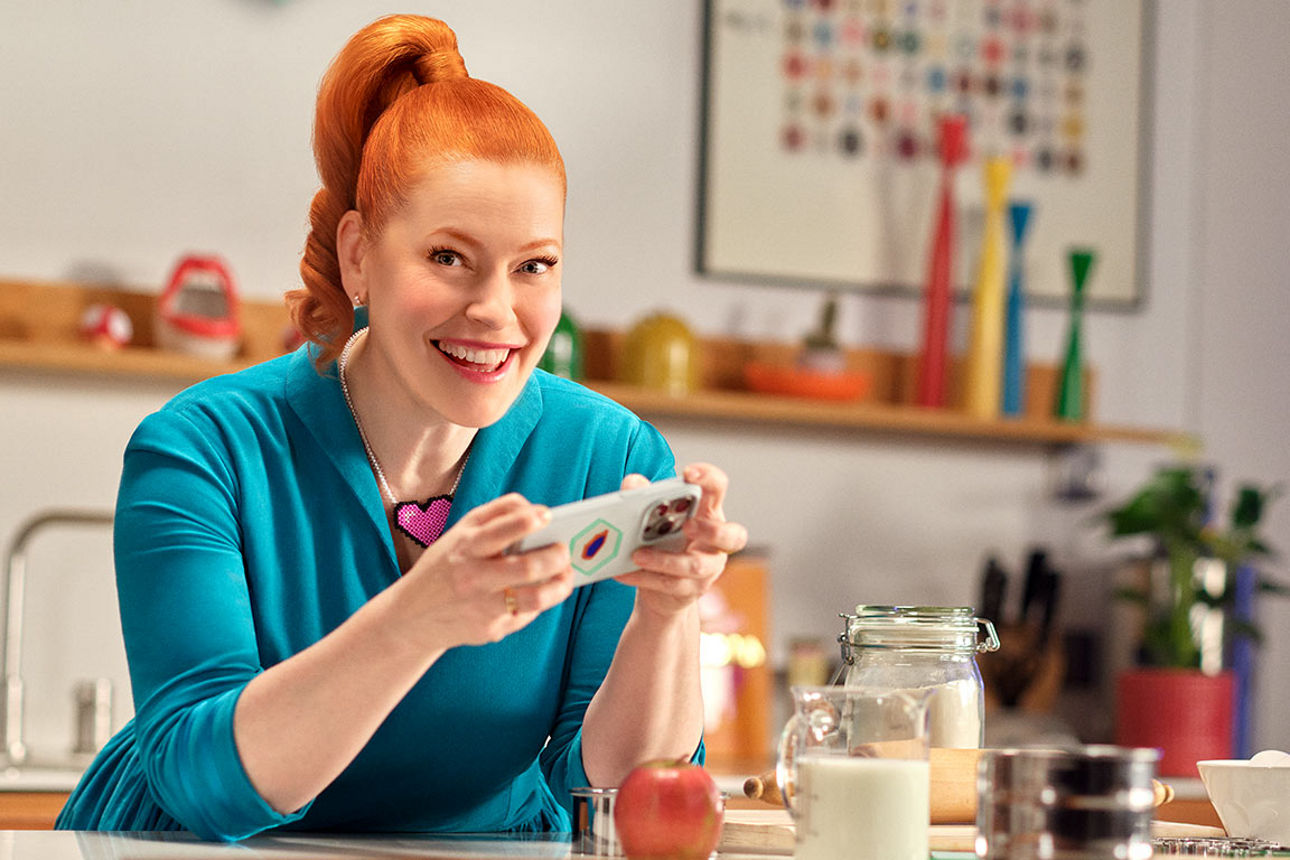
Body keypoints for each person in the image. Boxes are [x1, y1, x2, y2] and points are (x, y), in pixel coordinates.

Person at [56, 14, 746, 842]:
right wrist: (416, 618)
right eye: (448, 257)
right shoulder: (204, 449)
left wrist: (666, 615)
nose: (495, 311)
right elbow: (207, 789)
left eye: (534, 265)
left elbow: (619, 797)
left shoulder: (612, 456)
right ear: (358, 257)